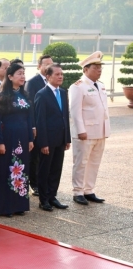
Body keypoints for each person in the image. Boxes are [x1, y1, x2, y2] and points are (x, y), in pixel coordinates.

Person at [0, 63, 34, 217]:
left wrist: (30, 138)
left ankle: (19, 204)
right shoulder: (2, 97)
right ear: (9, 77)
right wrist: (0, 142)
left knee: (22, 169)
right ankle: (5, 207)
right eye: (19, 74)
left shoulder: (24, 95)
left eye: (24, 73)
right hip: (8, 137)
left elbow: (29, 119)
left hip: (22, 137)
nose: (23, 76)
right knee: (6, 170)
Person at [69, 51, 110, 205]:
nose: (99, 70)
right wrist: (80, 130)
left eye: (100, 67)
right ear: (85, 69)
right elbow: (75, 111)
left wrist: (106, 129)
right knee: (81, 162)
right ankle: (78, 191)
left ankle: (89, 190)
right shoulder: (78, 87)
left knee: (94, 162)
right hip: (85, 133)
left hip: (100, 131)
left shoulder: (100, 85)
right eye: (95, 67)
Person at [34, 64, 71, 212]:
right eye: (57, 74)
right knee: (45, 170)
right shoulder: (41, 94)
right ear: (48, 76)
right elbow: (40, 120)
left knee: (56, 169)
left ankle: (52, 196)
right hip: (47, 140)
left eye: (61, 74)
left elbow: (65, 117)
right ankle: (43, 200)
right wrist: (43, 142)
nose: (60, 76)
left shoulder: (63, 92)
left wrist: (67, 138)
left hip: (60, 139)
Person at [25, 55, 53, 196]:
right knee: (35, 157)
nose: (49, 66)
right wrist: (33, 126)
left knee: (47, 156)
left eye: (51, 64)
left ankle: (45, 183)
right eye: (46, 64)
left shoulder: (53, 82)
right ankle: (34, 184)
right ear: (39, 66)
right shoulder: (32, 82)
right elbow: (30, 106)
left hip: (50, 126)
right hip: (37, 125)